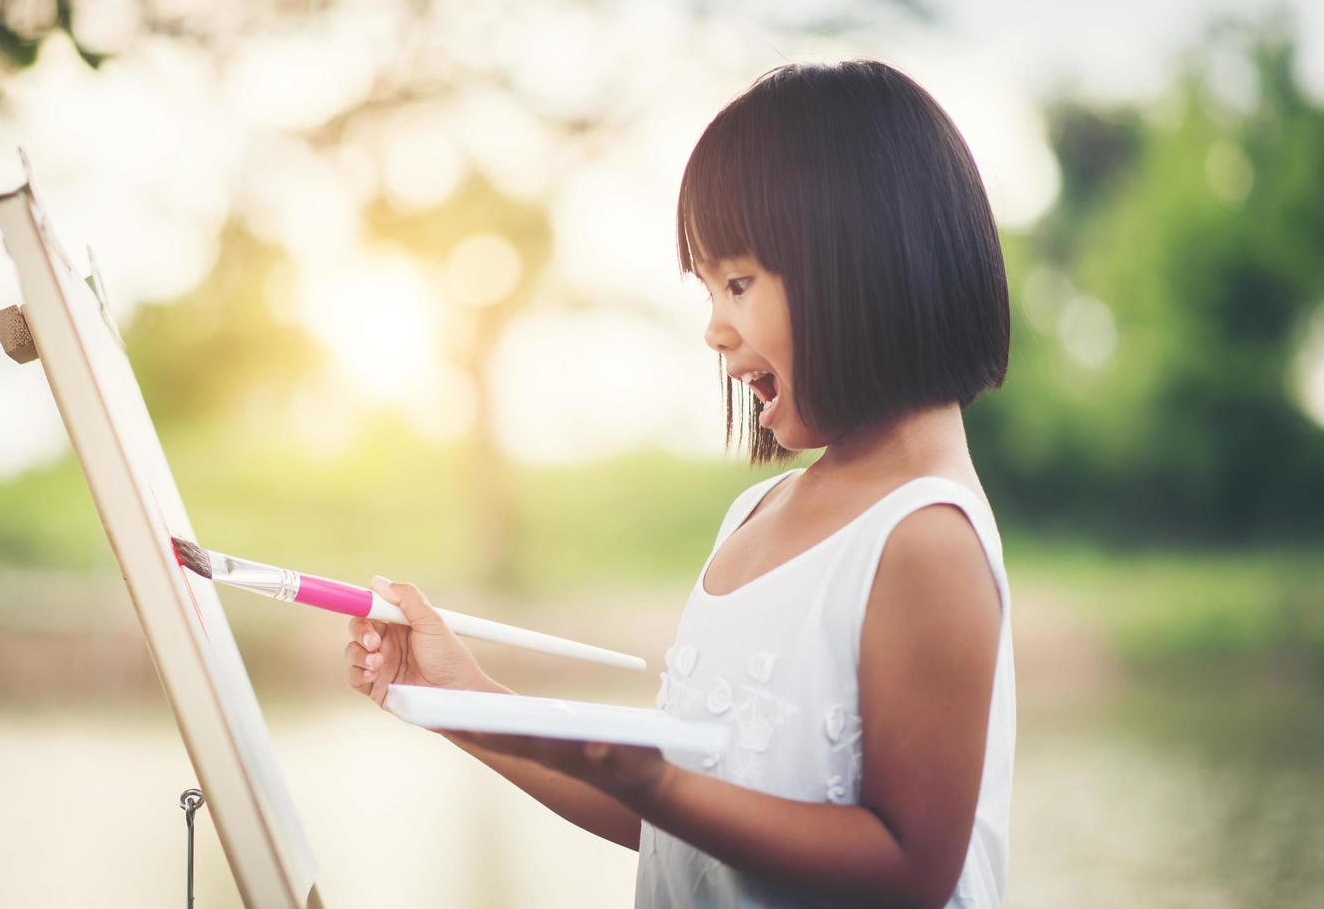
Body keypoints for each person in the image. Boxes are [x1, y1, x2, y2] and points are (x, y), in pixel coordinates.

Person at [345, 59, 1015, 908]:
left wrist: (655, 782)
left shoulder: (923, 539)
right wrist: (453, 695)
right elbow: (678, 822)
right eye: (706, 289)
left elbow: (909, 871)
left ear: (863, 265)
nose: (711, 328)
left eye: (737, 283)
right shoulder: (756, 513)